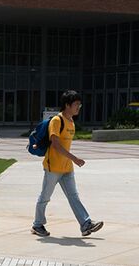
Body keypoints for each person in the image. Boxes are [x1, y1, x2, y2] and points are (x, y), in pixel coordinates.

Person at [32, 90, 103, 238]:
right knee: (45, 197)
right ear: (67, 105)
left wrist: (71, 161)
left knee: (73, 196)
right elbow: (56, 145)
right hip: (53, 167)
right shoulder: (57, 121)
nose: (79, 107)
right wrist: (75, 159)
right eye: (76, 104)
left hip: (67, 168)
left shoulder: (71, 122)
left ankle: (85, 224)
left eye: (79, 104)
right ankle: (37, 224)